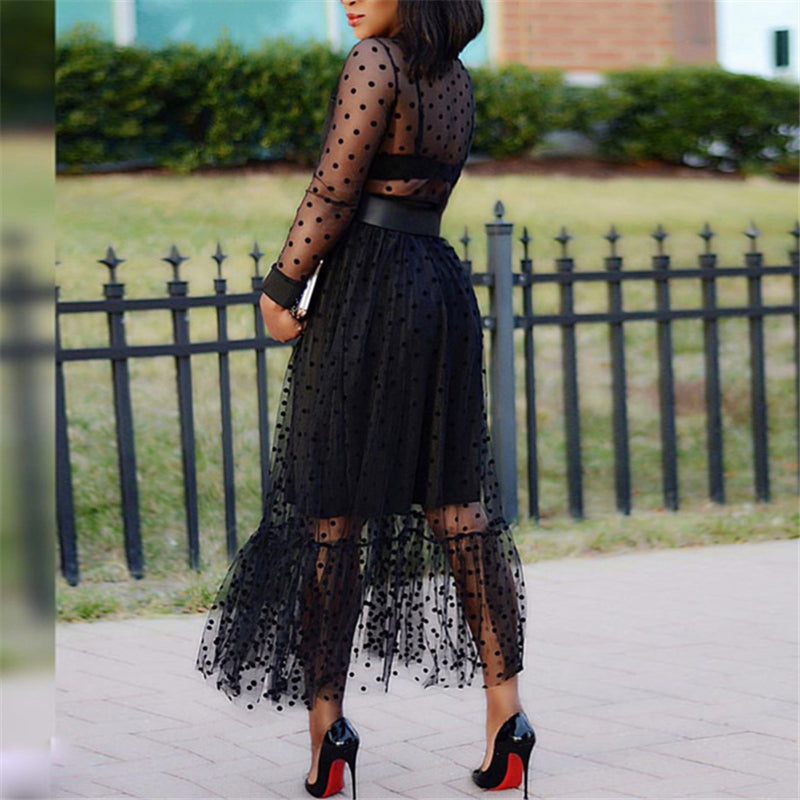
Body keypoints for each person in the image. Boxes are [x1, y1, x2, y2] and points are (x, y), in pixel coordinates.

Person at [195, 1, 536, 797]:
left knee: (330, 516)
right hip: (438, 287)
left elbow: (333, 189)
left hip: (370, 292)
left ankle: (330, 735)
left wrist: (281, 285)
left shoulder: (374, 62)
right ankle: (508, 717)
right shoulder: (453, 77)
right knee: (458, 506)